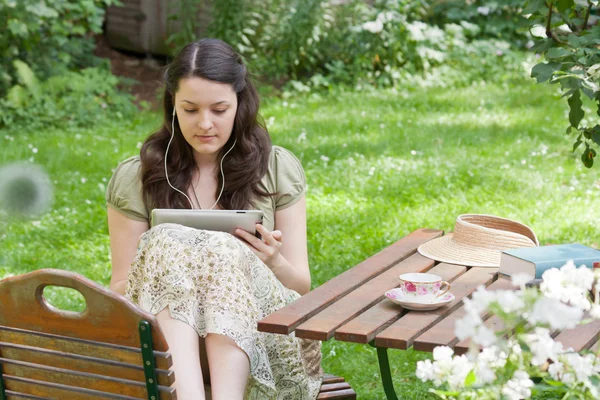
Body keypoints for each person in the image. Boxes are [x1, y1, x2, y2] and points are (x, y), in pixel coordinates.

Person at [105, 38, 323, 400]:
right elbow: (122, 287)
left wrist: (273, 260)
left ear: (240, 104)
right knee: (167, 241)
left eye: (219, 109)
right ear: (172, 105)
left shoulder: (276, 168)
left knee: (220, 248)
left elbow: (301, 287)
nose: (204, 124)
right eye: (190, 110)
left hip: (263, 345)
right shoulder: (138, 176)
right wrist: (175, 265)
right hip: (170, 343)